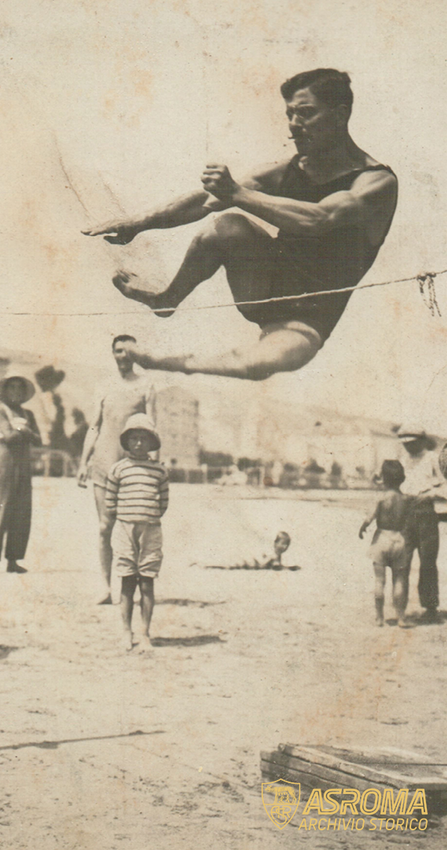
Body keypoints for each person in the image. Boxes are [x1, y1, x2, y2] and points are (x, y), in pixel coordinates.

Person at [84, 69, 398, 380]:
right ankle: (167, 299)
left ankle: (161, 362)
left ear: (340, 115)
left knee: (256, 365)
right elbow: (206, 201)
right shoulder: (286, 170)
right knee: (227, 225)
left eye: (306, 113)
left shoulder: (376, 182)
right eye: (289, 114)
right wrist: (136, 223)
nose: (294, 125)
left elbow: (320, 219)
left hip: (308, 318)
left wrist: (237, 192)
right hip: (263, 285)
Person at [77, 335, 156, 603]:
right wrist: (83, 462)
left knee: (135, 526)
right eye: (118, 351)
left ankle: (129, 586)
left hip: (135, 467)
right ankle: (105, 587)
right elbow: (94, 426)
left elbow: (152, 428)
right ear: (112, 354)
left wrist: (153, 467)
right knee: (104, 527)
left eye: (127, 351)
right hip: (104, 464)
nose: (123, 355)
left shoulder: (146, 385)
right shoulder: (104, 385)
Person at [105, 414, 169, 651]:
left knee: (148, 581)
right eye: (134, 438)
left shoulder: (159, 471)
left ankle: (145, 634)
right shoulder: (119, 469)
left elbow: (163, 503)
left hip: (150, 530)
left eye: (144, 439)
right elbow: (110, 502)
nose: (139, 443)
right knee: (127, 581)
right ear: (127, 442)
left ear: (152, 442)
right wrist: (125, 518)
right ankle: (126, 632)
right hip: (124, 528)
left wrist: (147, 517)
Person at [0, 376, 42, 574]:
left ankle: (13, 559)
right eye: (12, 389)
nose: (16, 393)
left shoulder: (28, 413)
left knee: (22, 512)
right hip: (6, 463)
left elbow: (38, 439)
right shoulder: (1, 411)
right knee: (3, 508)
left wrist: (22, 430)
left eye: (20, 389)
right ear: (6, 391)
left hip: (24, 464)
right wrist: (25, 432)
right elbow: (8, 437)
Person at [397, 424, 445, 620]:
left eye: (413, 443)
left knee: (427, 561)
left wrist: (431, 494)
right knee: (403, 561)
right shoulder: (403, 460)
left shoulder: (433, 458)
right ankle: (400, 609)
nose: (409, 447)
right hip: (405, 515)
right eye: (406, 444)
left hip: (426, 515)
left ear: (422, 441)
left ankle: (430, 608)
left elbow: (445, 484)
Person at [360, 460, 415, 628]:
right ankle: (401, 617)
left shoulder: (381, 498)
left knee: (379, 581)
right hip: (399, 540)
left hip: (382, 539)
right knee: (399, 580)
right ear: (403, 479)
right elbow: (410, 521)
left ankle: (379, 617)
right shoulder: (406, 499)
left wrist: (362, 527)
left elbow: (369, 517)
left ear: (383, 479)